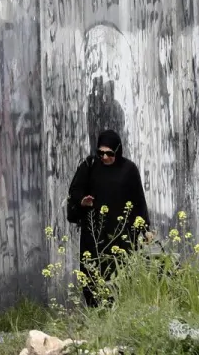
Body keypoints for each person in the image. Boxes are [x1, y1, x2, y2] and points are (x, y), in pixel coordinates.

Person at [66, 129, 149, 307]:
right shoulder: (90, 165)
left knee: (119, 272)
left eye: (109, 153)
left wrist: (144, 230)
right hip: (94, 233)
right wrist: (83, 201)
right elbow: (75, 190)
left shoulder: (129, 170)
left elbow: (138, 202)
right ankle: (96, 313)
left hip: (120, 234)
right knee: (91, 273)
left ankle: (117, 313)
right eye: (101, 152)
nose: (104, 157)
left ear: (118, 151)